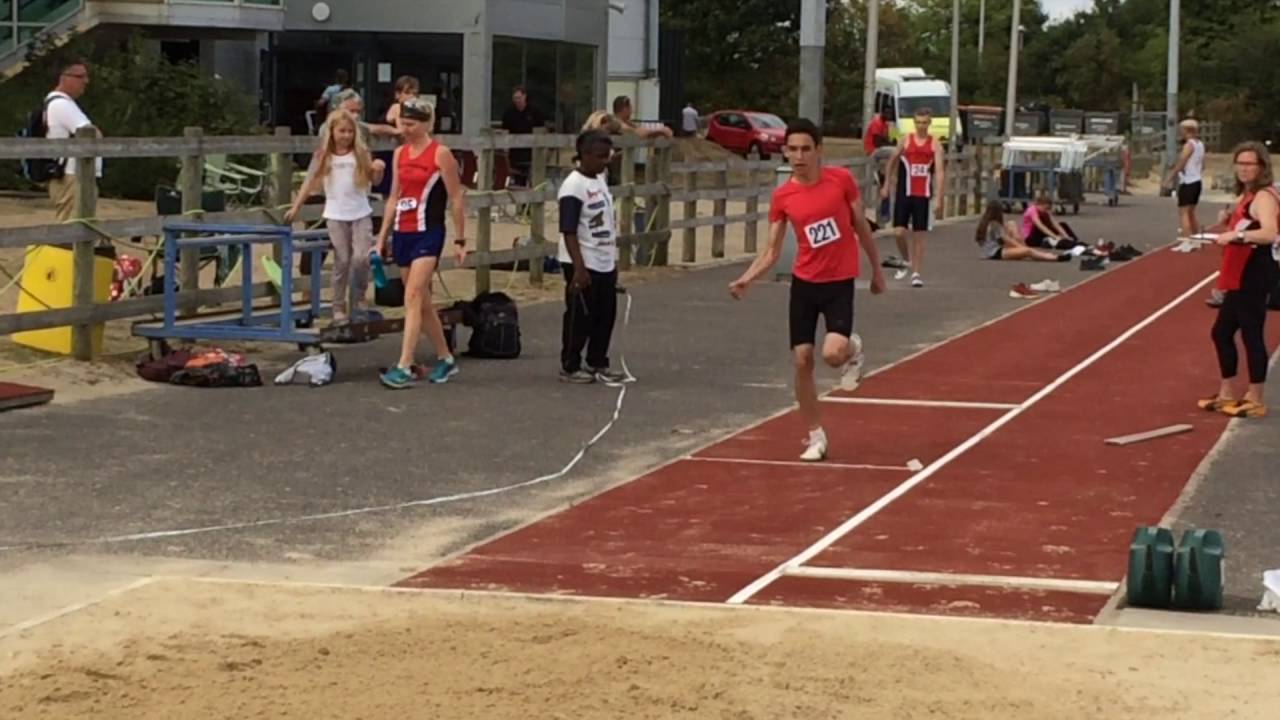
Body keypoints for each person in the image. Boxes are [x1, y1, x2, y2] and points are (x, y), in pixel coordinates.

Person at [728, 119, 887, 462]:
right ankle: (815, 436)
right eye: (792, 149)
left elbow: (861, 226)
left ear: (819, 151)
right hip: (804, 284)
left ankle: (853, 349)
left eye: (805, 149)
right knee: (801, 360)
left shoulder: (841, 181)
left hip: (839, 281)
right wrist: (748, 278)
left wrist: (876, 270)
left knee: (832, 354)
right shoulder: (783, 196)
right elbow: (771, 250)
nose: (799, 156)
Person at [375, 98, 468, 389]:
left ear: (427, 124)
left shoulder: (441, 154)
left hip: (430, 231)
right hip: (404, 230)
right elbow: (393, 196)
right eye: (403, 123)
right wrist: (382, 237)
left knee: (413, 295)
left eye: (412, 124)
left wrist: (460, 238)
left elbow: (456, 197)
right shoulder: (399, 153)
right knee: (422, 302)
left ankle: (404, 363)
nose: (407, 129)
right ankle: (445, 357)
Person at [1199, 142, 1278, 419]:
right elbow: (1246, 225)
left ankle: (1255, 397)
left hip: (1254, 272)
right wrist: (1228, 224)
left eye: (1250, 164)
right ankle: (1226, 392)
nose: (1244, 169)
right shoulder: (1247, 195)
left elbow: (1269, 233)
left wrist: (1238, 236)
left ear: (1261, 167)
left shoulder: (1264, 197)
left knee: (1251, 333)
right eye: (1240, 163)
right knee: (1221, 332)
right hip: (1238, 271)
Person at [284, 110, 386, 325]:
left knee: (361, 257)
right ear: (332, 132)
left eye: (350, 131)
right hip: (336, 213)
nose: (346, 136)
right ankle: (338, 305)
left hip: (360, 211)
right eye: (342, 131)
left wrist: (378, 170)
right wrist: (296, 208)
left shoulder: (361, 152)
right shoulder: (323, 155)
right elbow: (309, 182)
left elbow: (373, 180)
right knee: (342, 260)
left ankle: (359, 298)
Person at [556, 130, 627, 384]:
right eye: (598, 157)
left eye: (606, 156)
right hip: (582, 259)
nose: (604, 161)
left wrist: (613, 260)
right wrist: (579, 268)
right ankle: (570, 364)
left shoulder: (601, 179)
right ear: (584, 155)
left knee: (605, 314)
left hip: (604, 257)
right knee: (580, 316)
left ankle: (598, 360)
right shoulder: (573, 186)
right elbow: (569, 229)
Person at [881, 107, 945, 287]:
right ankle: (906, 259)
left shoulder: (935, 144)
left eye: (924, 123)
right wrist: (887, 184)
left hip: (922, 194)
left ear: (929, 123)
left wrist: (939, 198)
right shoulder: (906, 140)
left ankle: (916, 272)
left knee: (919, 236)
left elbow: (939, 172)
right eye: (918, 122)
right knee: (899, 232)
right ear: (914, 123)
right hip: (904, 192)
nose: (921, 126)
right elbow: (892, 160)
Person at [44, 59, 101, 222]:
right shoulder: (62, 104)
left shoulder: (65, 104)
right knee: (73, 227)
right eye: (80, 76)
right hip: (73, 176)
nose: (86, 81)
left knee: (78, 226)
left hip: (75, 175)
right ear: (63, 78)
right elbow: (92, 134)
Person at [975, 202, 1067, 262]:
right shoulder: (995, 225)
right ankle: (1053, 258)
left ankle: (1048, 255)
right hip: (995, 253)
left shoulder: (986, 223)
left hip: (990, 251)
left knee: (1012, 224)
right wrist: (1023, 247)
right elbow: (1007, 240)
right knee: (1027, 251)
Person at [1165, 119, 1206, 238]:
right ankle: (1196, 236)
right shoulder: (1200, 144)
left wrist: (1170, 177)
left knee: (1183, 212)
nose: (1180, 132)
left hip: (1188, 181)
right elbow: (1203, 164)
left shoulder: (1189, 145)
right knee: (1191, 212)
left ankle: (1187, 238)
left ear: (1187, 130)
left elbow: (1181, 162)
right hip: (1197, 180)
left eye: (1181, 129)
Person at [501, 86, 546, 187]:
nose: (517, 100)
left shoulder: (534, 112)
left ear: (525, 97)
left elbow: (542, 131)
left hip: (531, 153)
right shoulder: (509, 113)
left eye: (519, 97)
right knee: (518, 182)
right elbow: (505, 132)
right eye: (515, 98)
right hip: (515, 154)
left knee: (534, 182)